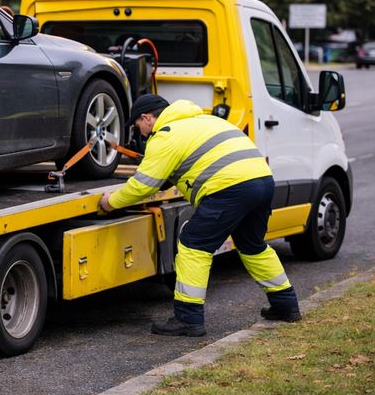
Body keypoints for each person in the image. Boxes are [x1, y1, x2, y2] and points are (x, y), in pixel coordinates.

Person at [99, 94, 301, 336]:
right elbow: (194, 162)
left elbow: (144, 186)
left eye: (138, 126)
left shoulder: (165, 135)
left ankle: (188, 318)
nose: (140, 133)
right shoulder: (205, 121)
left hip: (229, 188)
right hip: (262, 181)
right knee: (253, 246)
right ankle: (286, 305)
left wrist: (111, 202)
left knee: (193, 245)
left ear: (147, 118)